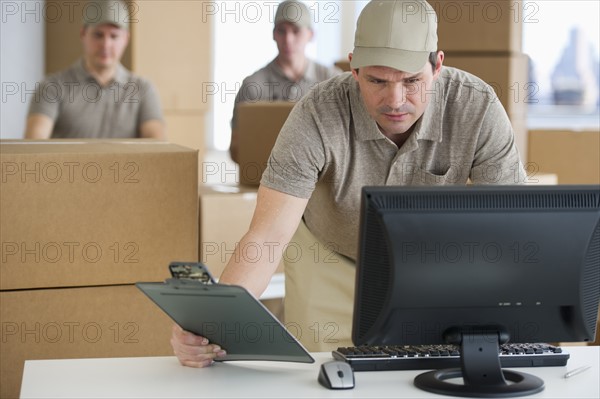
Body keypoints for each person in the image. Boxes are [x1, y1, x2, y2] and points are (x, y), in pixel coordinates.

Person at [172, 0, 527, 367]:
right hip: (329, 255)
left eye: (411, 81)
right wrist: (214, 324)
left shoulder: (477, 107)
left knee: (425, 371)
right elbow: (267, 237)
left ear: (437, 66)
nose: (395, 101)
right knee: (324, 376)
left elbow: (507, 230)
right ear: (354, 68)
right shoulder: (317, 113)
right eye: (377, 81)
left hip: (432, 262)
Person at [25, 0, 165, 139]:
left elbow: (157, 146)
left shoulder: (143, 89)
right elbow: (35, 145)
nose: (106, 44)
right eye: (98, 35)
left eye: (114, 36)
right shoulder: (51, 87)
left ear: (126, 39)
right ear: (83, 34)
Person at [229, 0, 341, 163]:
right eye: (282, 31)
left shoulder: (333, 81)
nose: (288, 39)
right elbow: (236, 149)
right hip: (264, 178)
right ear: (273, 34)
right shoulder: (253, 86)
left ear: (311, 35)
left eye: (296, 31)